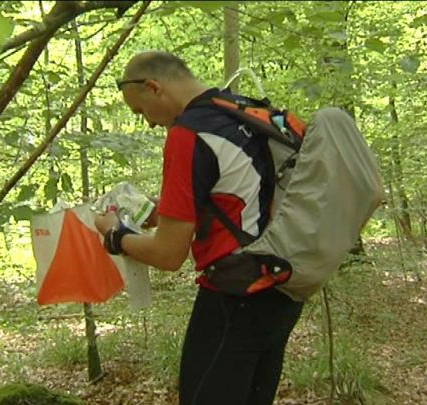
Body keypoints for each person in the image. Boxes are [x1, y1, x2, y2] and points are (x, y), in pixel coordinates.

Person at [94, 51, 303, 405]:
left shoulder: (189, 133)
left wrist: (116, 235)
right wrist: (154, 213)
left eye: (140, 111)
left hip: (235, 297)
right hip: (285, 287)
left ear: (153, 87)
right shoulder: (246, 112)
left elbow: (168, 254)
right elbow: (240, 200)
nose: (146, 123)